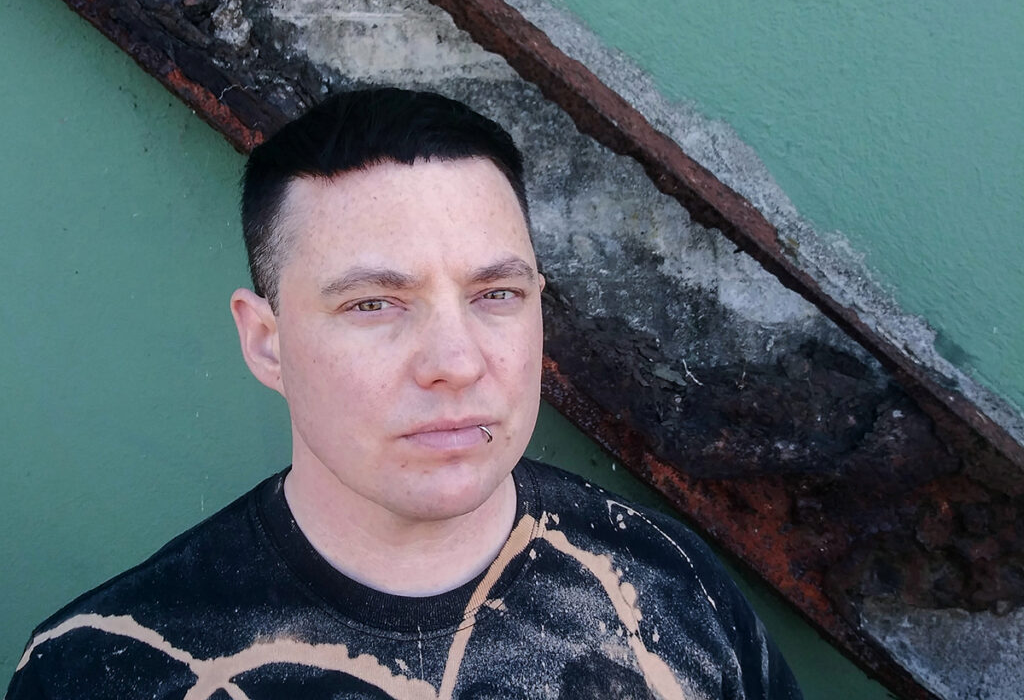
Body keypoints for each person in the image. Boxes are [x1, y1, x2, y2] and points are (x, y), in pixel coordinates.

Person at [5, 88, 801, 699]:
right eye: (373, 305)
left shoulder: (668, 584)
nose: (455, 362)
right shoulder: (103, 668)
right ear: (267, 342)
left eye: (496, 294)